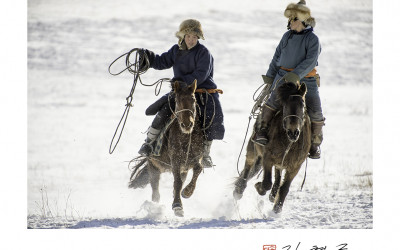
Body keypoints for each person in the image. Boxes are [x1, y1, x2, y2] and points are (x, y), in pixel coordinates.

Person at [137, 19, 225, 168]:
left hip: (202, 92)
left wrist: (182, 81)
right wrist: (148, 58)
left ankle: (205, 154)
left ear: (198, 38)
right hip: (180, 93)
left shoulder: (204, 53)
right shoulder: (175, 50)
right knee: (162, 111)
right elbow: (161, 62)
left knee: (211, 118)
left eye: (194, 37)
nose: (191, 40)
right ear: (182, 36)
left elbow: (201, 74)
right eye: (188, 36)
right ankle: (149, 143)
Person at [253, 0, 325, 159]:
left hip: (307, 81)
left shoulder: (313, 39)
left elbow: (310, 61)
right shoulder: (286, 36)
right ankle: (262, 131)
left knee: (316, 112)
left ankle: (314, 143)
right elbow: (277, 56)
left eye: (293, 19)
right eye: (290, 19)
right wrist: (271, 76)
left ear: (301, 21)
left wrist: (295, 75)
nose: (290, 22)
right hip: (282, 78)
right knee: (272, 103)